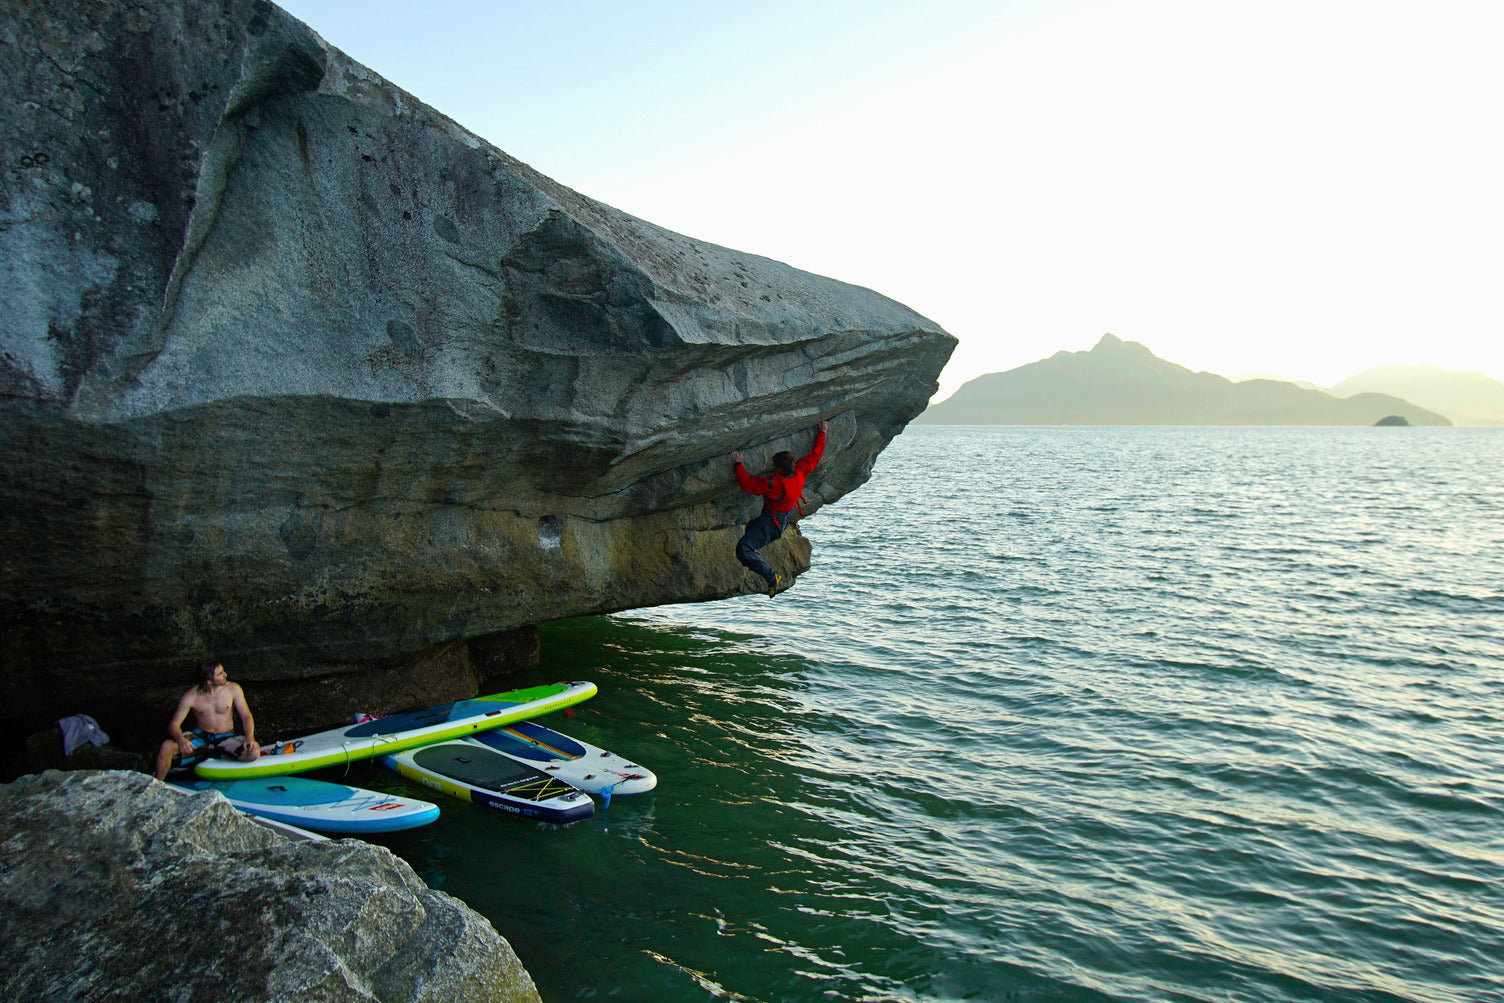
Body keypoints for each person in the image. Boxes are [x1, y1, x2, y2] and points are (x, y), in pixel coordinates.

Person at [731, 420, 828, 596]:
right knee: (751, 528)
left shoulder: (773, 483)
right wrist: (822, 431)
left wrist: (738, 464)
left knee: (743, 549)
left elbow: (747, 485)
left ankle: (771, 575)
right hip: (779, 522)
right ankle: (754, 560)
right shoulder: (801, 471)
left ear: (777, 468)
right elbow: (816, 454)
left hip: (771, 524)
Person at [153, 661, 261, 780]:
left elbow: (246, 716)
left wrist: (250, 738)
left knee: (253, 753)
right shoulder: (191, 696)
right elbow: (174, 724)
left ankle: (218, 755)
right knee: (166, 747)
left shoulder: (233, 689)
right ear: (209, 681)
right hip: (201, 738)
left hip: (226, 737)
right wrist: (181, 740)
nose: (225, 674)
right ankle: (158, 785)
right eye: (220, 674)